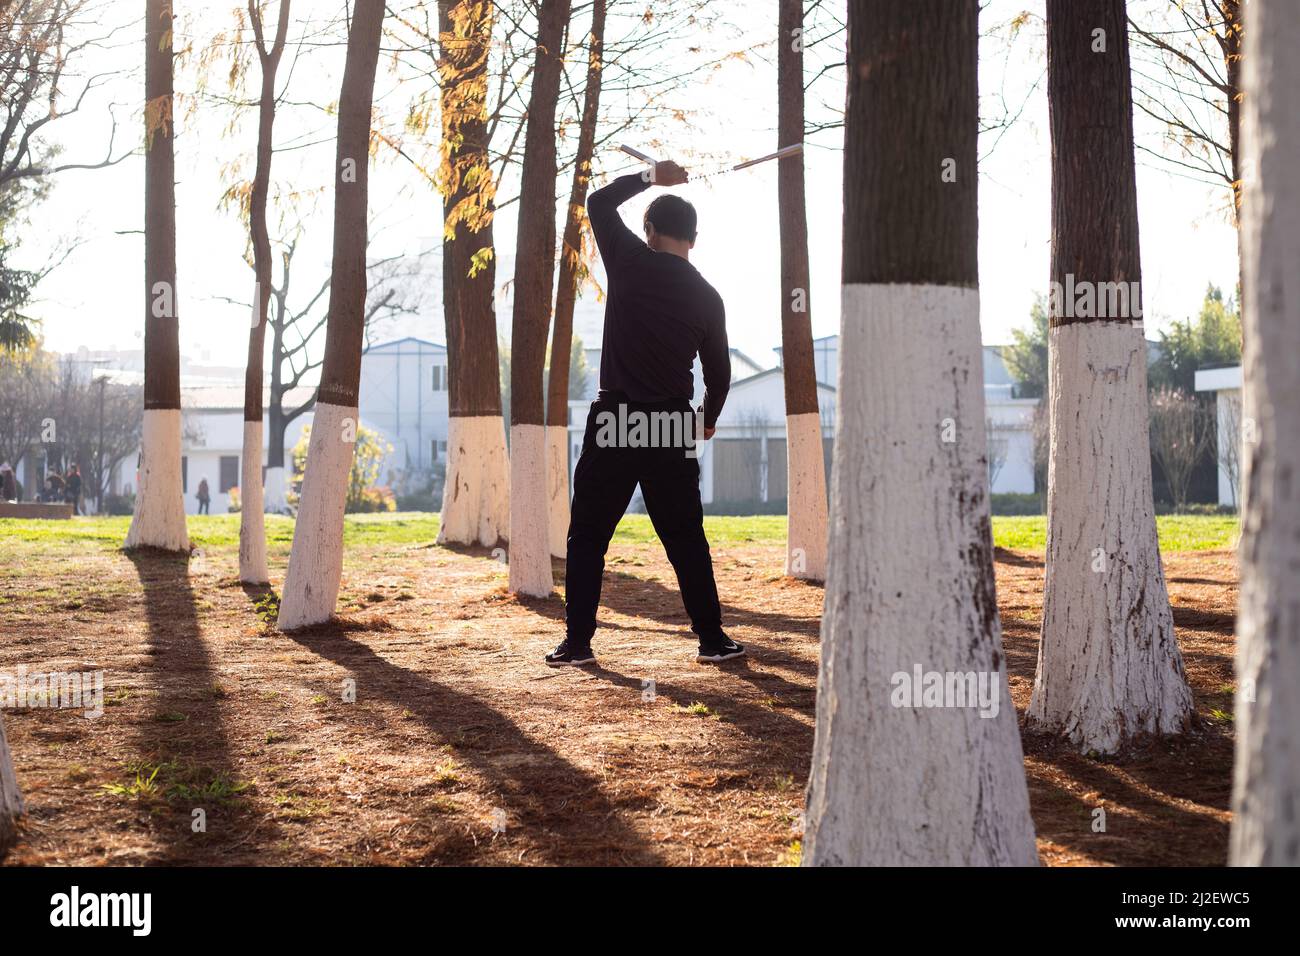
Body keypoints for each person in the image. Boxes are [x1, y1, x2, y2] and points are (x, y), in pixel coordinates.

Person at [545, 159, 744, 668]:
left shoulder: (630, 260)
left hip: (617, 418)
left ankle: (578, 644)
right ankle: (712, 640)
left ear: (650, 232)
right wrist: (706, 417)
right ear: (693, 240)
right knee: (686, 540)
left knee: (588, 536)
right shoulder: (708, 297)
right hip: (673, 424)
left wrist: (652, 176)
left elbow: (598, 202)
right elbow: (719, 374)